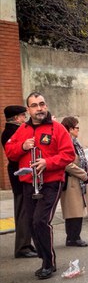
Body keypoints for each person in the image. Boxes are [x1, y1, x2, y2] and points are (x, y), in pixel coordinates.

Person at [5, 92, 75, 279]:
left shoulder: (57, 128)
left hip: (51, 182)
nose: (39, 108)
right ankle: (44, 258)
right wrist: (23, 147)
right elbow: (10, 152)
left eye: (42, 104)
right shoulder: (22, 129)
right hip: (29, 183)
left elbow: (69, 154)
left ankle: (49, 263)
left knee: (40, 221)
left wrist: (47, 162)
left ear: (46, 105)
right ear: (28, 110)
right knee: (31, 223)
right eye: (34, 105)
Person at [1, 105, 37, 258]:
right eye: (23, 115)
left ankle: (27, 244)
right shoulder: (11, 132)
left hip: (22, 174)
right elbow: (14, 153)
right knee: (23, 211)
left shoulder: (15, 130)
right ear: (16, 118)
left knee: (26, 210)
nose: (25, 118)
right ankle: (22, 247)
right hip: (19, 176)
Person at [60, 117, 88, 247]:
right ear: (70, 129)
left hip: (78, 181)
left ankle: (75, 237)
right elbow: (67, 163)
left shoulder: (75, 142)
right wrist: (84, 175)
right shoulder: (66, 142)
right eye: (77, 128)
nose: (78, 130)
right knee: (73, 211)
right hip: (71, 181)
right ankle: (72, 238)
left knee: (78, 211)